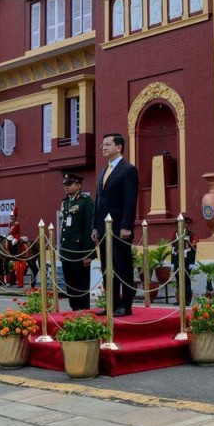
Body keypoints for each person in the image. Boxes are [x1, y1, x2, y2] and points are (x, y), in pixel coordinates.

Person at [92, 132, 139, 317]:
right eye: (102, 144)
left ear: (118, 147)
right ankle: (111, 303)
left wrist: (127, 226)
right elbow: (98, 202)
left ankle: (125, 305)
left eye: (107, 144)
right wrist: (95, 227)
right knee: (107, 267)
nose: (103, 147)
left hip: (120, 229)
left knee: (122, 266)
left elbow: (130, 200)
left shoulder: (128, 170)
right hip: (104, 229)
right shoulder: (104, 171)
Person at [58, 173, 95, 311]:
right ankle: (74, 310)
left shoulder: (86, 201)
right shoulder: (66, 202)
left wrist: (88, 254)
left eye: (69, 184)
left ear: (78, 185)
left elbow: (88, 229)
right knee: (70, 284)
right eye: (65, 185)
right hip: (67, 249)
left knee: (81, 284)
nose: (66, 187)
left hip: (80, 250)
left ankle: (84, 311)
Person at [171, 215, 198, 306]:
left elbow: (193, 249)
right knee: (178, 279)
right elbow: (173, 248)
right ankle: (179, 299)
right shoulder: (175, 234)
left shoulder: (191, 234)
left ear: (185, 224)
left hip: (187, 260)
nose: (180, 224)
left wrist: (191, 262)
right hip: (177, 260)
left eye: (182, 223)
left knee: (186, 280)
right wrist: (172, 262)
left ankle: (187, 299)